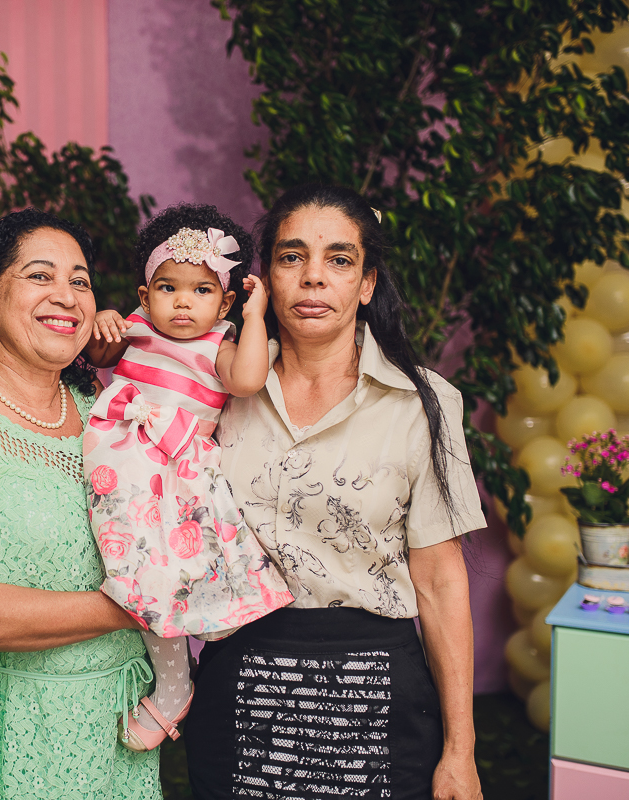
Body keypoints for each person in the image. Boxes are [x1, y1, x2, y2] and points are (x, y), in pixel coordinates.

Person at [183, 184, 486, 800]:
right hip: (242, 686)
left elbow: (439, 581)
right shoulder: (213, 386)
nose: (314, 277)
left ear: (367, 283)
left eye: (339, 259)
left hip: (374, 692)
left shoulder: (424, 403)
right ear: (265, 279)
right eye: (292, 257)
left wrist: (460, 749)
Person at [0, 208, 161, 799]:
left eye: (80, 281)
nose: (66, 295)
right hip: (11, 720)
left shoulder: (109, 413)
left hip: (119, 722)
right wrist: (138, 607)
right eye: (40, 276)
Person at [83, 204, 294, 752]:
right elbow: (96, 351)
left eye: (201, 290)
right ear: (145, 294)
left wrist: (255, 314)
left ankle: (175, 685)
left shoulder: (220, 345)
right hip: (120, 466)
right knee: (128, 571)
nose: (182, 302)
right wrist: (104, 319)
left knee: (161, 574)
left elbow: (247, 380)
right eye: (167, 288)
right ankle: (170, 677)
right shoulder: (137, 328)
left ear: (224, 303)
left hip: (176, 477)